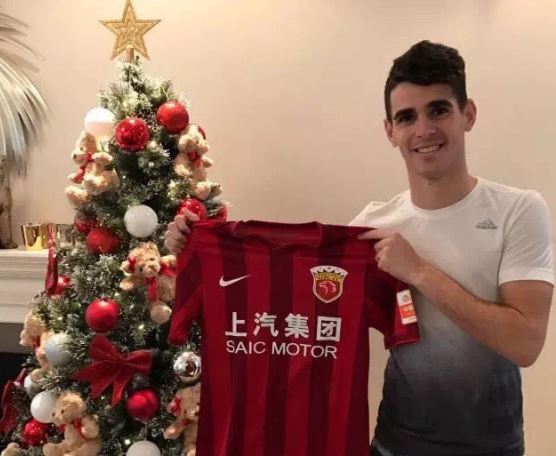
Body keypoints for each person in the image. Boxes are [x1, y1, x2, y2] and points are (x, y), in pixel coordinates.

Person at [164, 41, 554, 456]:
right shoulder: (369, 228)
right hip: (394, 446)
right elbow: (284, 301)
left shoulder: (518, 210)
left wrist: (419, 272)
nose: (423, 130)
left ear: (468, 114)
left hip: (494, 448)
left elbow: (525, 343)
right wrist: (192, 246)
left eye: (438, 110)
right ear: (390, 131)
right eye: (407, 117)